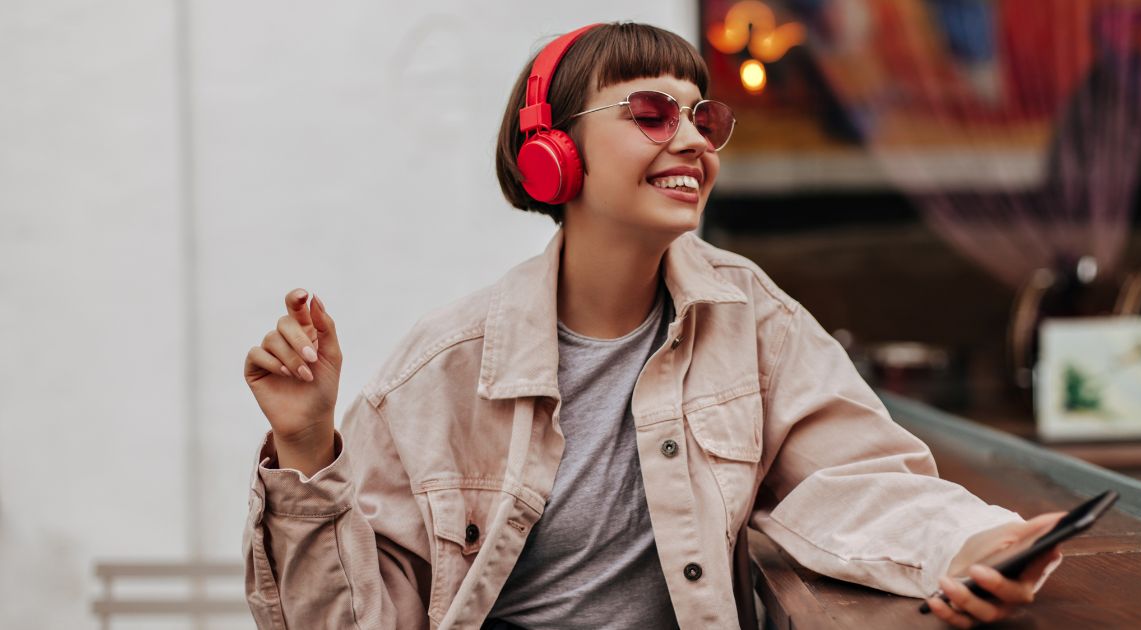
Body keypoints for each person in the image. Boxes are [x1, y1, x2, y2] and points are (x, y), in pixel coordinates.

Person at [241, 22, 1065, 630]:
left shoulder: (750, 317)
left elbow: (854, 478)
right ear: (551, 155)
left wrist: (973, 542)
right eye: (648, 112)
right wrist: (311, 446)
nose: (692, 141)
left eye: (702, 118)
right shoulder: (447, 369)